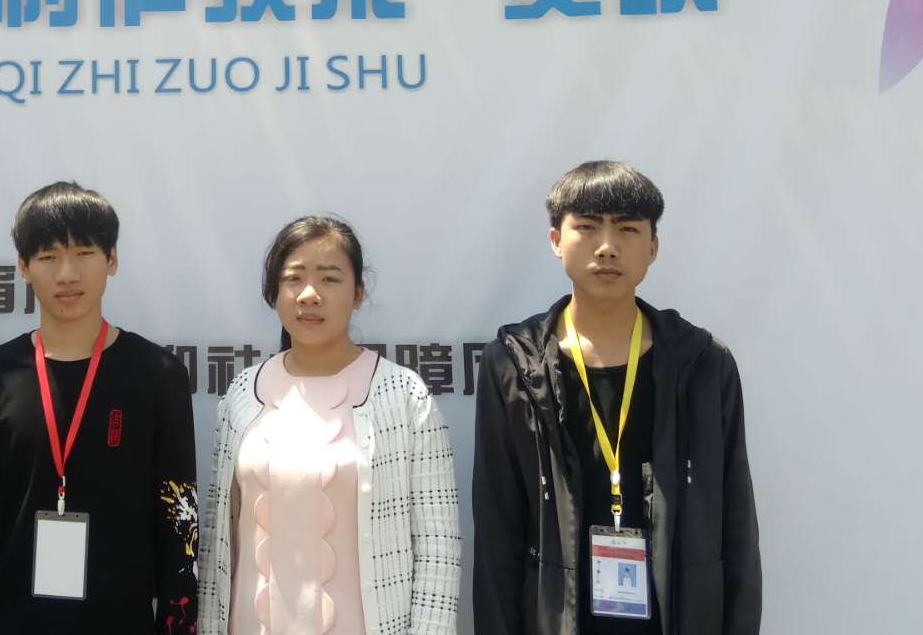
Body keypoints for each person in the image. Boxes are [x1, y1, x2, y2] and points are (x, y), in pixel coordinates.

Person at [472, 161, 761, 633]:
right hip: (556, 617)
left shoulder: (703, 364)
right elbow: (497, 528)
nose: (607, 246)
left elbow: (737, 526)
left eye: (627, 229)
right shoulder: (514, 364)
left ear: (653, 247)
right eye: (587, 227)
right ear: (556, 240)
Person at [0, 181, 200, 633]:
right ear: (24, 267)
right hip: (11, 622)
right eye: (47, 257)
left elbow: (180, 526)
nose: (67, 274)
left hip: (121, 622)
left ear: (112, 259)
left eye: (84, 253)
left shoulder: (158, 375)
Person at [198, 215, 461, 635]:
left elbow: (438, 547)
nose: (309, 294)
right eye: (293, 278)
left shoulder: (404, 396)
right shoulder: (243, 394)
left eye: (329, 279)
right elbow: (217, 542)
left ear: (358, 293)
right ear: (274, 293)